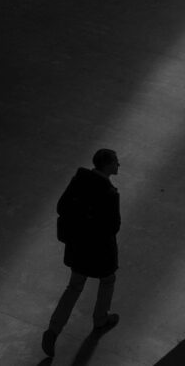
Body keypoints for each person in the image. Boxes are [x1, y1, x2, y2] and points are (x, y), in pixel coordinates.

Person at [42, 148, 121, 357]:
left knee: (74, 286)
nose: (118, 165)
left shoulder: (78, 181)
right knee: (108, 280)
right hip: (100, 251)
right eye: (115, 162)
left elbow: (62, 207)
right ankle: (100, 318)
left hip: (78, 246)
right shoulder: (110, 194)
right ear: (107, 165)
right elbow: (113, 227)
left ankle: (53, 329)